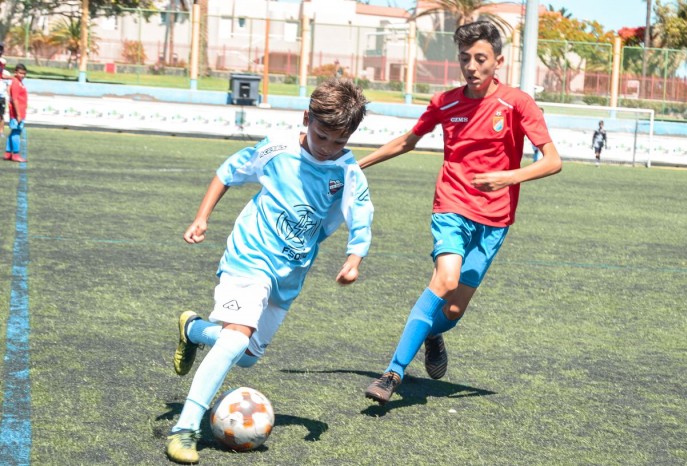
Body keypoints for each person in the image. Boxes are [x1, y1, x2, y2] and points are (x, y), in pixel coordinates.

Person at [166, 78, 373, 464]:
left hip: (289, 274)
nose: (328, 148)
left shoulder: (346, 171)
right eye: (322, 136)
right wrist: (202, 218)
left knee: (246, 356)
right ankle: (185, 428)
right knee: (233, 341)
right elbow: (228, 172)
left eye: (339, 142)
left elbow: (361, 216)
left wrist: (354, 258)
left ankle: (193, 329)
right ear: (306, 118)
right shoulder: (277, 149)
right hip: (250, 256)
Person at [358, 21, 562, 405]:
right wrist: (357, 165)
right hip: (451, 205)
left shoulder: (517, 103)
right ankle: (392, 373)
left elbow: (552, 161)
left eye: (480, 58)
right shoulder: (445, 103)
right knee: (445, 278)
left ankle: (431, 333)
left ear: (498, 61)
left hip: (495, 220)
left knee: (453, 309)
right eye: (465, 58)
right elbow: (407, 140)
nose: (472, 66)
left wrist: (508, 177)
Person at [4, 63, 27, 163]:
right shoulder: (16, 83)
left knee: (13, 132)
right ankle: (16, 155)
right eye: (20, 73)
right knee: (17, 132)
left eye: (24, 74)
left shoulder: (18, 82)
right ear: (15, 72)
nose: (22, 75)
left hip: (19, 112)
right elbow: (15, 99)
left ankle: (8, 153)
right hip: (17, 113)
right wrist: (18, 114)